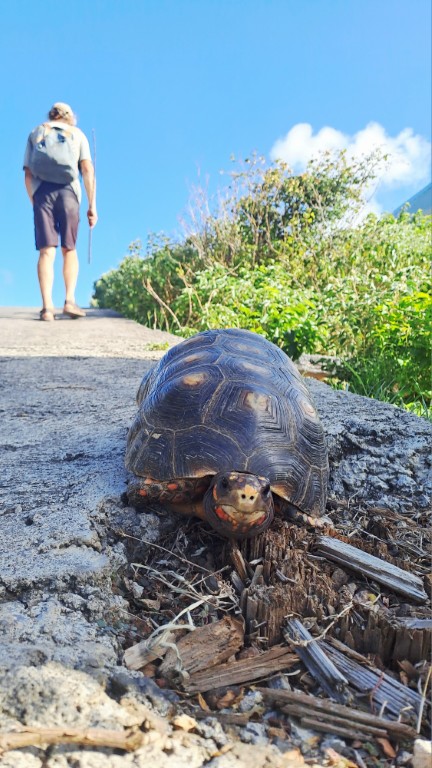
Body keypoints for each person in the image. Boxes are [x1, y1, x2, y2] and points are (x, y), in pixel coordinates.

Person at [23, 102, 98, 321]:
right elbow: (87, 169)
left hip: (42, 192)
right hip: (69, 193)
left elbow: (27, 173)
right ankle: (69, 300)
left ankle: (47, 308)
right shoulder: (77, 134)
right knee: (69, 248)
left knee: (46, 251)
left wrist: (34, 200)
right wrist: (92, 205)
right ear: (69, 116)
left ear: (51, 114)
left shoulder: (37, 132)